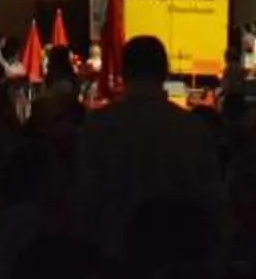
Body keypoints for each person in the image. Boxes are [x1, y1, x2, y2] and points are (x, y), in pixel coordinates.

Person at [72, 33, 217, 257]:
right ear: (165, 72)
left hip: (115, 250)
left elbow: (87, 196)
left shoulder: (98, 126)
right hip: (178, 251)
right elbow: (209, 197)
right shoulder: (193, 128)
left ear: (124, 71)